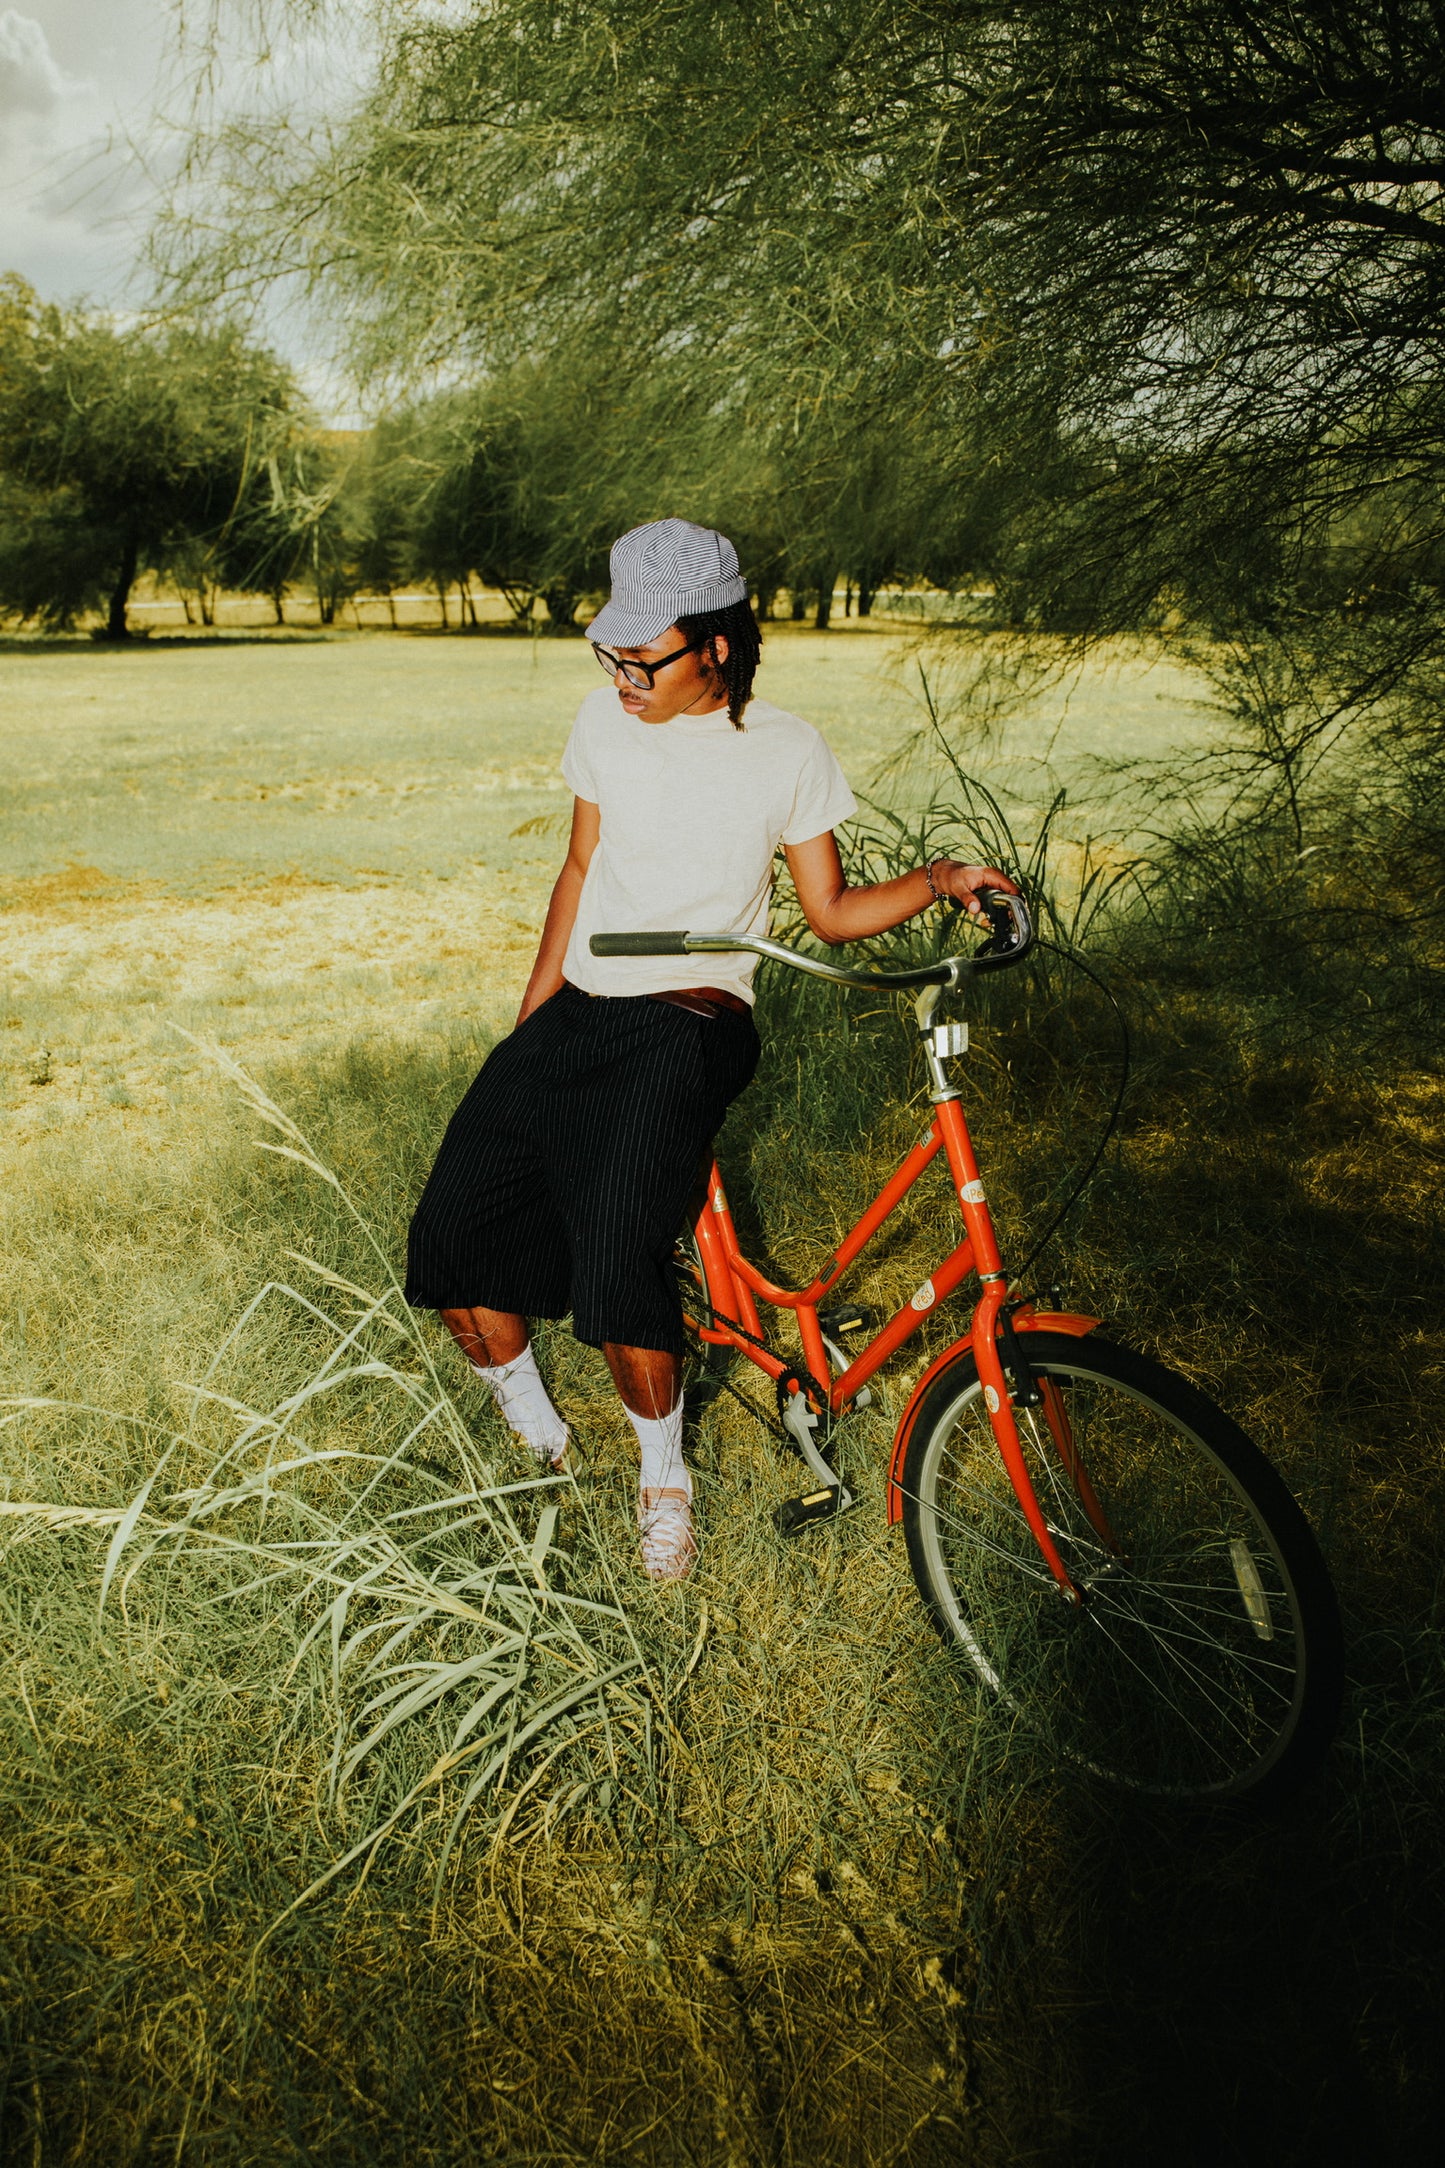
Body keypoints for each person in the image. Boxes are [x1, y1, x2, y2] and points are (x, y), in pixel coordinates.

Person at [404, 519, 1016, 1581]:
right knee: (451, 1228)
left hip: (688, 1016)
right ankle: (537, 1431)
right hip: (579, 1004)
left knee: (613, 1252)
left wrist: (937, 878)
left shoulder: (785, 749)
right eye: (612, 654)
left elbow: (825, 911)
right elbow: (577, 869)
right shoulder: (602, 719)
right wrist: (527, 1030)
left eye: (644, 658)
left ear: (717, 646)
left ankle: (662, 1479)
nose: (622, 677)